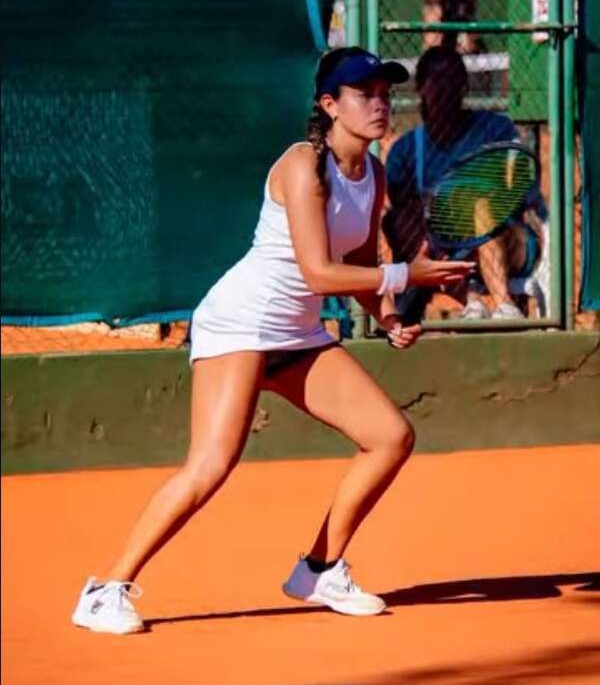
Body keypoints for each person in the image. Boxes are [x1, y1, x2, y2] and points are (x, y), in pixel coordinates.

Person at [71, 46, 473, 633]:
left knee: (389, 437)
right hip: (241, 323)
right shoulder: (301, 165)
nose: (381, 104)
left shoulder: (374, 173)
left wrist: (386, 316)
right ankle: (105, 590)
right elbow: (319, 272)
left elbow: (357, 260)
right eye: (366, 95)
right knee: (210, 465)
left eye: (387, 94)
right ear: (330, 105)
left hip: (297, 331)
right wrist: (408, 274)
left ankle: (319, 568)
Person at [383, 46, 544, 322]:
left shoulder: (496, 129)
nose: (446, 89)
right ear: (421, 87)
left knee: (480, 205)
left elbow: (516, 191)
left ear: (464, 86)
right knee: (397, 221)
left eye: (454, 80)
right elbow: (405, 212)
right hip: (442, 249)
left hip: (507, 240)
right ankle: (472, 300)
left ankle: (505, 306)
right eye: (437, 80)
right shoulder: (405, 150)